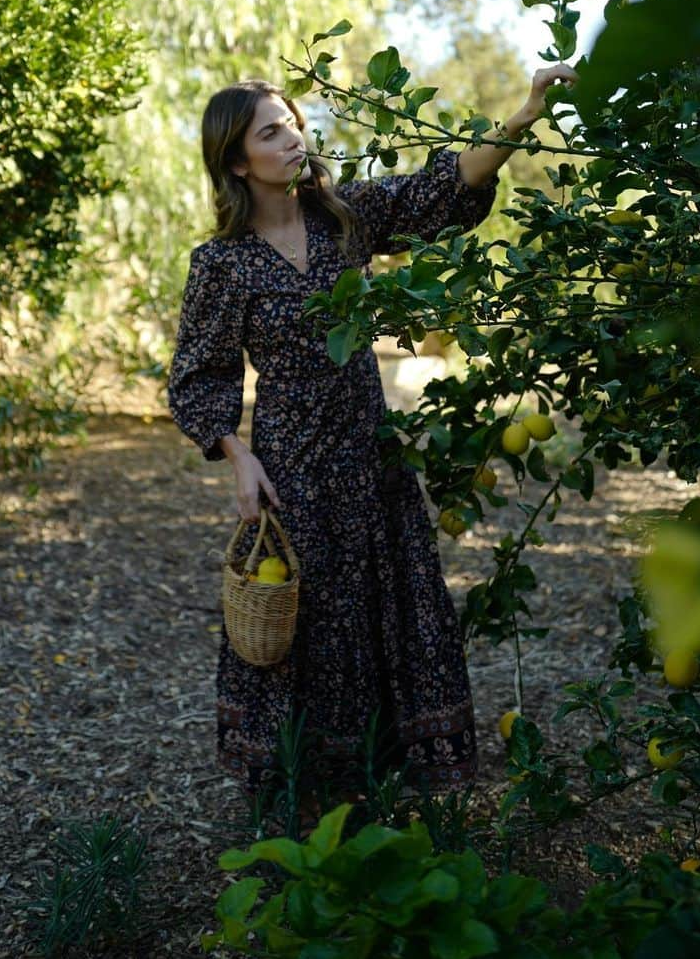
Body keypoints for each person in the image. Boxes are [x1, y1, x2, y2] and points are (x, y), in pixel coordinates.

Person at [166, 67, 576, 824]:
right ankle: (298, 791)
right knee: (306, 623)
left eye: (293, 122)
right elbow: (199, 374)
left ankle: (387, 782)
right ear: (235, 161)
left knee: (390, 610)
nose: (294, 138)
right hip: (292, 467)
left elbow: (442, 187)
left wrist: (521, 115)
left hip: (371, 456)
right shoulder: (221, 264)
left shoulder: (346, 217)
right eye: (271, 131)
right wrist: (239, 458)